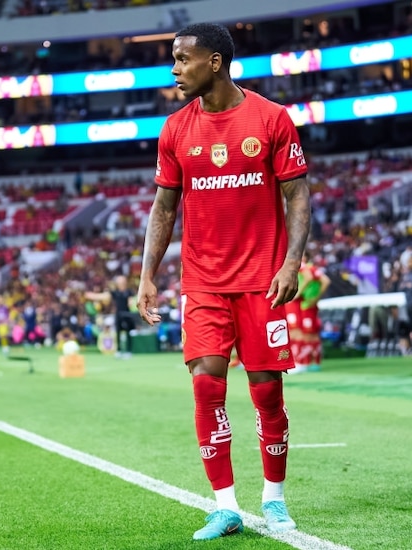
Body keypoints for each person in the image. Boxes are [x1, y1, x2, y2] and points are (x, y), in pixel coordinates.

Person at [137, 22, 311, 540]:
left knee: (267, 394)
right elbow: (164, 207)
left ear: (214, 62)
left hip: (263, 282)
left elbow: (297, 195)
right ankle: (225, 506)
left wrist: (291, 263)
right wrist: (148, 275)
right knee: (206, 386)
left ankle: (274, 499)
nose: (174, 69)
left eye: (182, 59)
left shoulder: (272, 119)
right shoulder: (175, 130)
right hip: (204, 283)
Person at [287, 259, 331, 372]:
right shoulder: (310, 268)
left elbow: (322, 280)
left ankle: (302, 362)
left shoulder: (298, 264)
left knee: (299, 333)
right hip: (302, 304)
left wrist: (298, 294)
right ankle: (312, 362)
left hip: (301, 304)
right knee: (306, 333)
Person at [86, 275, 136, 359]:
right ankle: (119, 351)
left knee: (128, 333)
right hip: (119, 315)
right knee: (118, 333)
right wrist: (92, 295)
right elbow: (104, 296)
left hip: (127, 315)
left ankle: (129, 351)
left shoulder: (129, 292)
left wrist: (131, 303)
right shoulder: (115, 292)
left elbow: (133, 301)